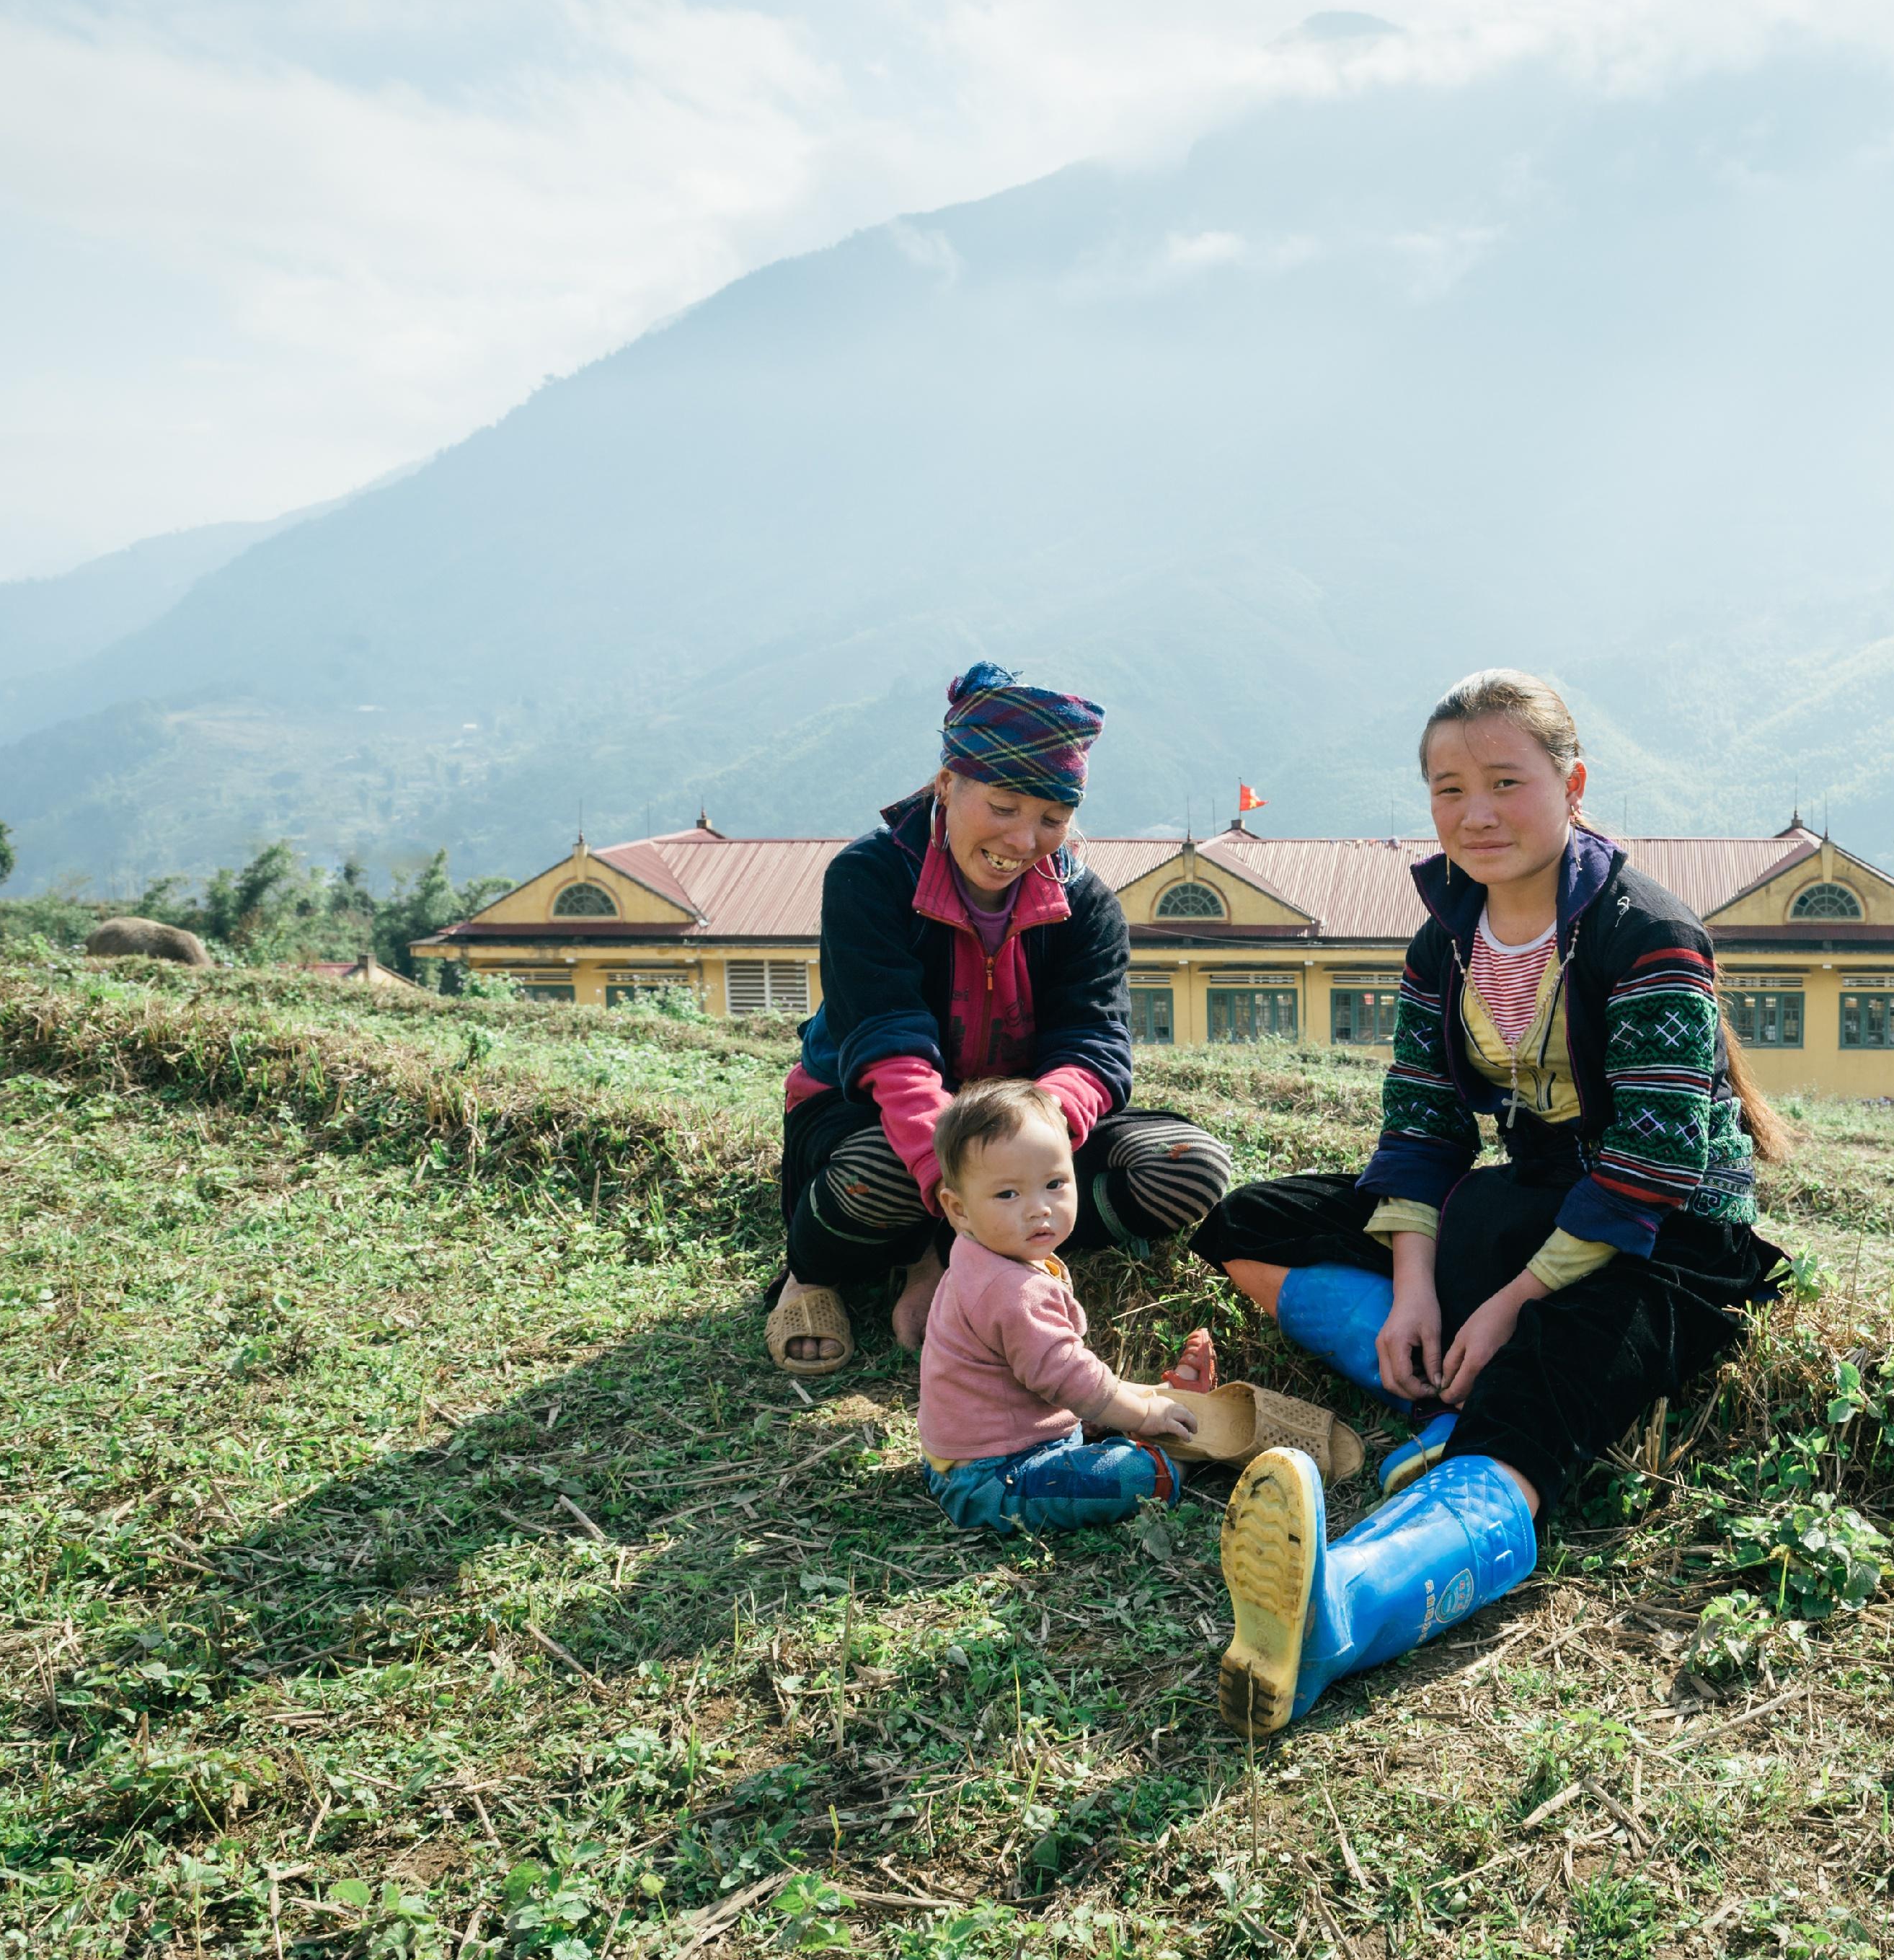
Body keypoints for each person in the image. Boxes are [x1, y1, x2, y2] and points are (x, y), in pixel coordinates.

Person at [1190, 668, 1791, 1734]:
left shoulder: (1646, 931)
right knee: (1249, 1221)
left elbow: (1649, 1167)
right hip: (1523, 1198)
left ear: (1573, 783)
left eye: (1506, 782)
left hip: (1665, 1238)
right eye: (1447, 788)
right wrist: (1417, 1289)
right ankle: (1430, 1387)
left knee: (1528, 1420)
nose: (1475, 814)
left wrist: (1509, 1301)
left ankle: (1338, 1613)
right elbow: (1419, 1127)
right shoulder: (1446, 938)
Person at [766, 661, 1233, 1376]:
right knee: (880, 1173)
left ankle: (958, 1258)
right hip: (872, 1117)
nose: (1024, 838)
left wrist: (1028, 1142)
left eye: (1051, 818)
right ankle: (811, 1272)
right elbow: (892, 1051)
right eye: (1005, 805)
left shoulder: (1087, 906)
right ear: (948, 785)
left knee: (1188, 1168)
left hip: (1020, 1121)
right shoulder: (868, 879)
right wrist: (973, 1185)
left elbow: (1094, 1048)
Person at [918, 1080, 1213, 1532]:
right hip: (992, 1478)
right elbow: (1068, 1378)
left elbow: (1059, 1370)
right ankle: (1171, 1460)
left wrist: (1129, 1402)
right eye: (1008, 1194)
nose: (1039, 1209)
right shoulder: (1008, 1288)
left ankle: (1154, 1404)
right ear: (958, 1210)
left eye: (1054, 1183)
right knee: (1130, 1475)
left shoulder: (984, 1255)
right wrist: (1143, 1414)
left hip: (994, 1447)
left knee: (1102, 1403)